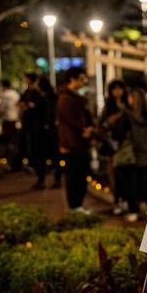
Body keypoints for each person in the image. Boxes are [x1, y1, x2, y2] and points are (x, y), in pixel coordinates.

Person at [112, 86, 147, 220]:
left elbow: (117, 134)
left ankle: (133, 211)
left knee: (130, 184)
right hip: (146, 155)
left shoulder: (127, 115)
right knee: (145, 183)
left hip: (131, 155)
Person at [57, 68, 95, 211]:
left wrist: (90, 128)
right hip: (72, 144)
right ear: (72, 79)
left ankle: (78, 204)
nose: (84, 81)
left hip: (79, 143)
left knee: (80, 175)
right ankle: (75, 205)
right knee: (74, 176)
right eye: (82, 78)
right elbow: (74, 120)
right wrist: (86, 129)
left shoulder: (74, 96)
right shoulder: (66, 98)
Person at [97, 79, 127, 202]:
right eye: (114, 89)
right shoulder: (108, 105)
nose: (117, 91)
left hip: (126, 145)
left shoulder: (127, 104)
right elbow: (101, 125)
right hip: (111, 144)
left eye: (119, 88)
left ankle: (125, 199)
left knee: (125, 173)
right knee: (113, 173)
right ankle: (117, 199)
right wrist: (111, 120)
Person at [32, 76, 62, 189]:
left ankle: (43, 180)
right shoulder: (52, 97)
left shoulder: (44, 98)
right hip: (50, 132)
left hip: (45, 132)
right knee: (54, 157)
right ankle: (55, 179)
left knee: (44, 157)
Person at [19, 72, 41, 169]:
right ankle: (31, 163)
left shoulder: (36, 92)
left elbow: (37, 106)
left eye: (26, 78)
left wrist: (28, 106)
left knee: (34, 145)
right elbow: (20, 102)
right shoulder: (26, 91)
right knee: (28, 144)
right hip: (27, 122)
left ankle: (35, 164)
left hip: (34, 123)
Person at [0, 80, 21, 171]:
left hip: (7, 121)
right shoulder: (16, 94)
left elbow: (1, 109)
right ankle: (16, 163)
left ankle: (9, 163)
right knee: (15, 143)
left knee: (8, 143)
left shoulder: (5, 95)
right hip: (16, 120)